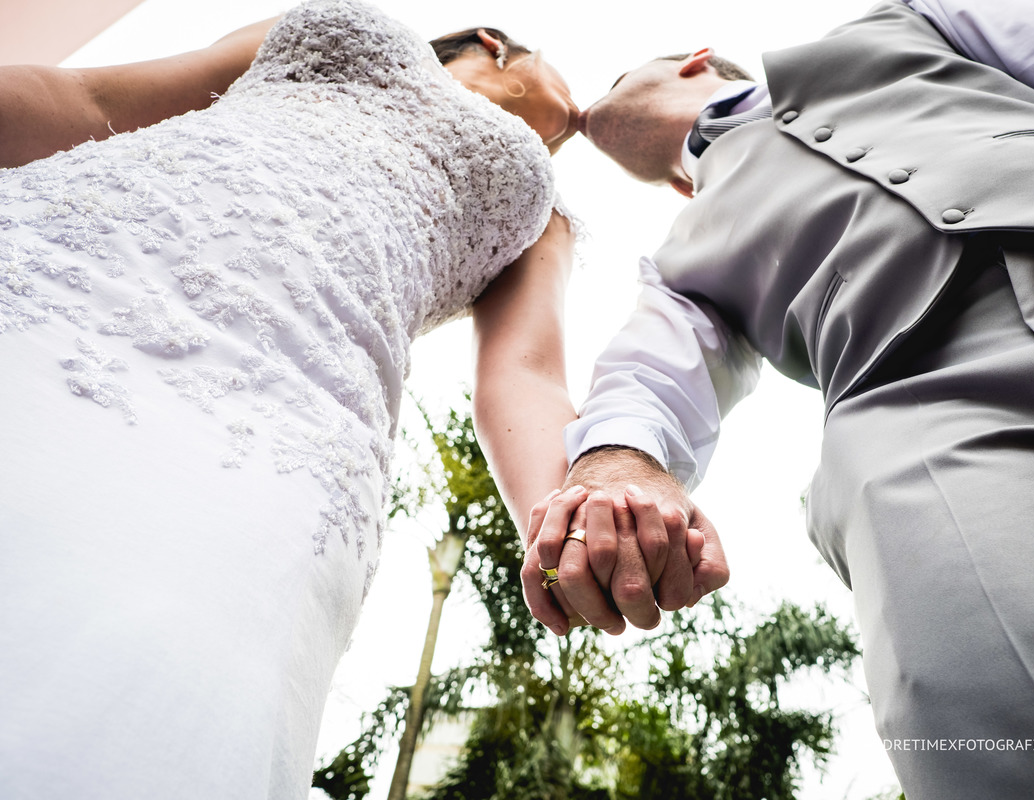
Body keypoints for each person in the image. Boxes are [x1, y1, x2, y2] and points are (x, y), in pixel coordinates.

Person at [0, 1, 690, 797]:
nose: (573, 120)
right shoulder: (341, 31)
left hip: (278, 416)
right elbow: (92, 103)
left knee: (140, 655)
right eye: (567, 87)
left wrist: (570, 518)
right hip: (54, 258)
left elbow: (524, 373)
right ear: (495, 45)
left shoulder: (545, 217)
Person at [525, 0, 1034, 797]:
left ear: (695, 60)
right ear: (680, 187)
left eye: (613, 78)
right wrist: (618, 463)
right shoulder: (679, 261)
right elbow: (646, 373)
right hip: (924, 422)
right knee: (1016, 704)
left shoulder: (908, 22)